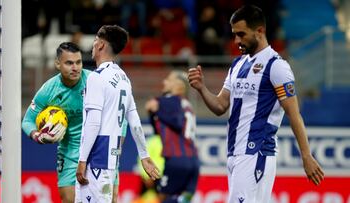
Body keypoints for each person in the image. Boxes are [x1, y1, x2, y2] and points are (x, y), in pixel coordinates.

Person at [188, 5, 325, 203]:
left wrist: (306, 155)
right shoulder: (237, 65)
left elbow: (294, 114)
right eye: (234, 35)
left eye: (241, 34)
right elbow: (220, 106)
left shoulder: (276, 66)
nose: (236, 41)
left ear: (259, 31)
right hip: (235, 153)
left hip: (256, 152)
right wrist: (201, 88)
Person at [75, 25, 160, 203]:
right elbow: (135, 121)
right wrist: (144, 155)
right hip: (111, 156)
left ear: (101, 45)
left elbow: (93, 122)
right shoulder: (123, 78)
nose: (93, 44)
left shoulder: (96, 77)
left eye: (96, 39)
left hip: (96, 155)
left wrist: (82, 160)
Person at [22, 42, 91, 203]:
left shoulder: (93, 81)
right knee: (68, 199)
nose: (75, 67)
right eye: (69, 63)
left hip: (96, 150)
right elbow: (27, 121)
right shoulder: (49, 90)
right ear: (57, 64)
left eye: (78, 62)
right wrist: (37, 135)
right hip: (69, 153)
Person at [145, 70, 199, 203]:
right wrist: (154, 114)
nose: (164, 82)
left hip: (176, 159)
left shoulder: (168, 101)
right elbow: (159, 131)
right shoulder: (188, 105)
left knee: (164, 197)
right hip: (194, 161)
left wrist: (155, 108)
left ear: (178, 85)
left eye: (168, 80)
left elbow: (177, 122)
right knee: (185, 198)